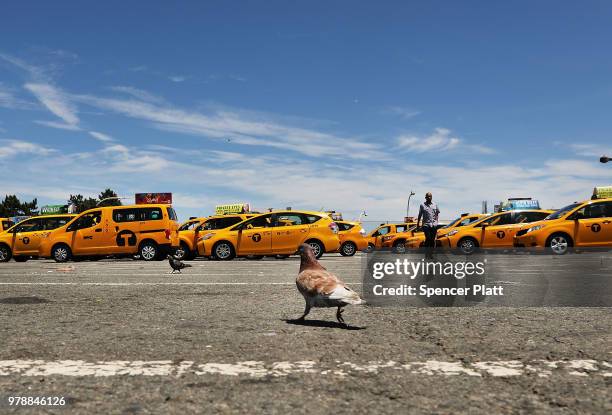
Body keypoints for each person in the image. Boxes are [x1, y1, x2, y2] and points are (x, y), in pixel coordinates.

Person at [417, 192, 440, 260]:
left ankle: (431, 254)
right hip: (426, 224)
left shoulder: (435, 204)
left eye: (430, 196)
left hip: (434, 225)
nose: (429, 197)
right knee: (428, 238)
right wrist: (418, 224)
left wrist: (436, 222)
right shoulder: (422, 205)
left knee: (432, 240)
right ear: (425, 198)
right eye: (428, 196)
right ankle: (426, 254)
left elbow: (437, 213)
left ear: (432, 197)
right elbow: (420, 215)